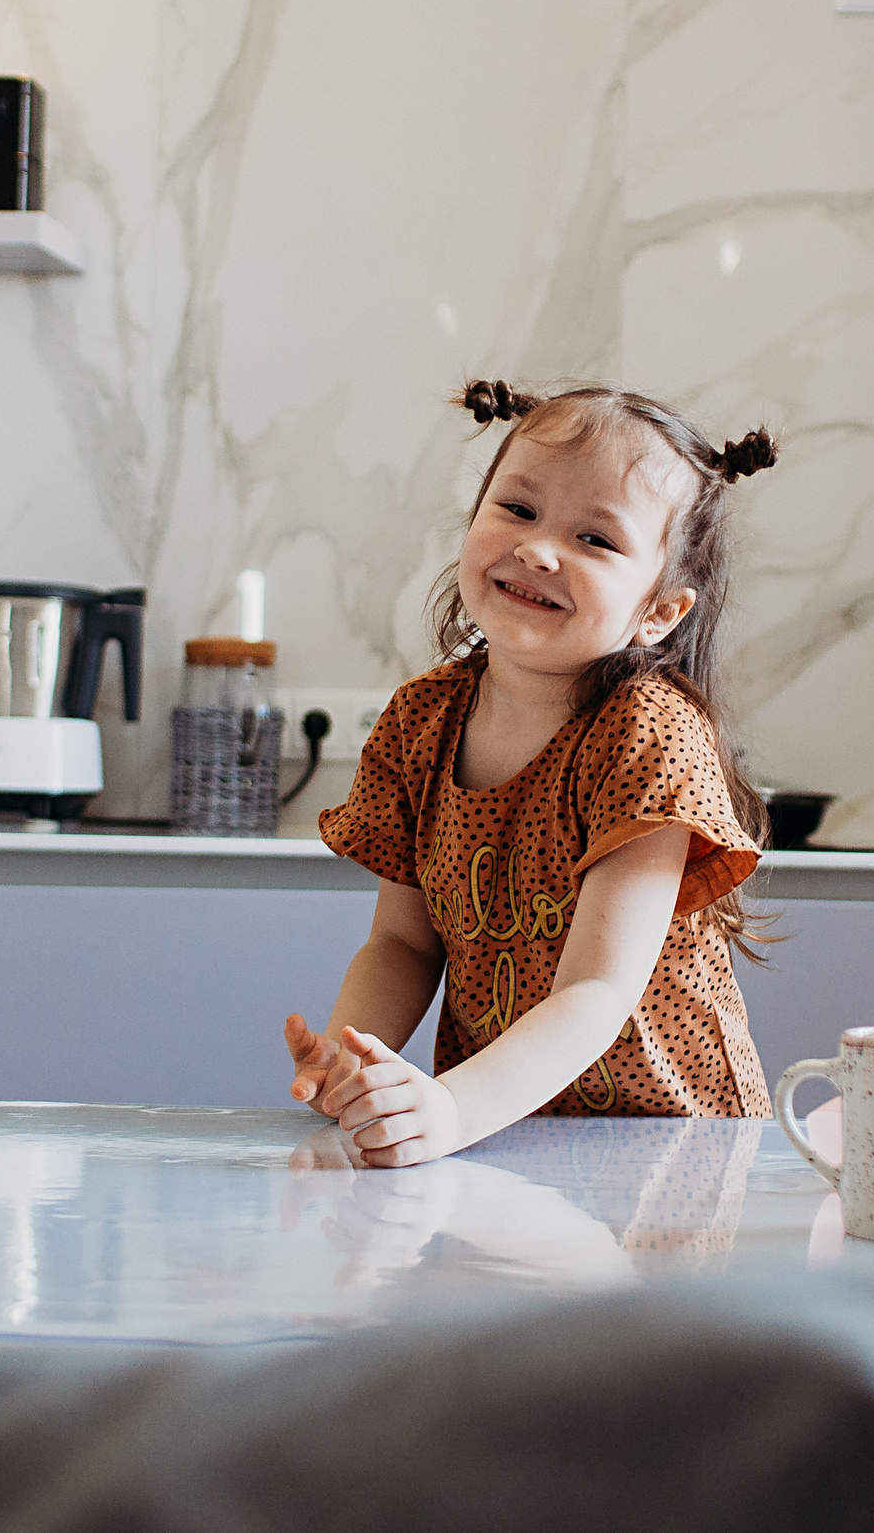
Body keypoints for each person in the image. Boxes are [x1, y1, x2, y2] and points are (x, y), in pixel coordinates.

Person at [283, 380, 780, 1166]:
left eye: (597, 539)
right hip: (499, 1132)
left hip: (672, 1150)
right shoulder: (422, 719)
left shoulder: (647, 732)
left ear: (660, 611)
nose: (538, 549)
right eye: (518, 509)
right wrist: (353, 1059)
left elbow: (598, 991)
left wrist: (448, 1109)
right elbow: (402, 944)